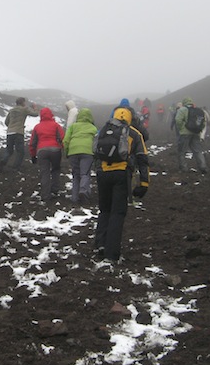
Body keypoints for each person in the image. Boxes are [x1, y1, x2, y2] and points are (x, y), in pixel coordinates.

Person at [94, 107, 149, 263]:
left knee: (104, 209)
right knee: (117, 213)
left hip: (103, 173)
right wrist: (144, 182)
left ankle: (100, 244)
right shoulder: (134, 133)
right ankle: (112, 253)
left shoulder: (104, 129)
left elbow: (95, 151)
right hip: (121, 174)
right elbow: (143, 159)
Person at [28, 107, 65, 202]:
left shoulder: (37, 127)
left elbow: (32, 143)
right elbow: (62, 138)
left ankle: (45, 196)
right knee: (56, 170)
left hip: (42, 151)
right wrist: (65, 150)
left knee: (45, 173)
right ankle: (55, 190)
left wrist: (33, 155)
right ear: (51, 114)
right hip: (55, 150)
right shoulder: (56, 125)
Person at [62, 107, 98, 204]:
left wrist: (67, 152)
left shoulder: (73, 127)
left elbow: (65, 140)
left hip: (73, 152)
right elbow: (96, 142)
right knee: (85, 173)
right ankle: (83, 191)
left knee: (76, 175)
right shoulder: (93, 128)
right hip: (87, 152)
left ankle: (74, 198)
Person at [0, 97, 38, 172]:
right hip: (18, 132)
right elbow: (35, 114)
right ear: (22, 102)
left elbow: (6, 122)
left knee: (9, 151)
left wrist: (11, 127)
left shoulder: (11, 110)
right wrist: (35, 108)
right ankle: (15, 167)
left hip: (9, 132)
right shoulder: (24, 109)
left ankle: (3, 161)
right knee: (20, 152)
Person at [174, 97, 208, 174]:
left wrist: (182, 128)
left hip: (185, 133)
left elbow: (178, 120)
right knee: (197, 151)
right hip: (196, 133)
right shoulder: (198, 110)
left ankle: (184, 168)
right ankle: (203, 166)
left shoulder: (182, 110)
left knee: (182, 151)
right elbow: (203, 122)